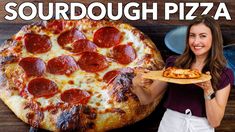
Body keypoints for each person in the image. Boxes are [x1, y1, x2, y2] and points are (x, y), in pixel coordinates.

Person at [131, 15, 234, 132]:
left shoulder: (224, 74)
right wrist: (137, 85)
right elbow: (147, 98)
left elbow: (215, 122)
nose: (196, 41)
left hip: (201, 128)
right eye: (192, 36)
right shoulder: (174, 65)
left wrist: (208, 91)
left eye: (203, 36)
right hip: (170, 125)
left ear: (214, 39)